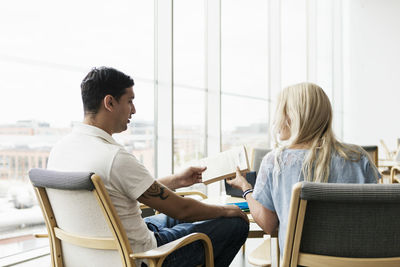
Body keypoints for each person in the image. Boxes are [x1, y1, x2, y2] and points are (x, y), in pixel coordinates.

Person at [47, 66, 249, 267]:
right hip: (143, 257)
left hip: (93, 255)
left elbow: (116, 190)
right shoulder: (114, 157)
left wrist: (177, 180)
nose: (133, 110)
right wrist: (227, 210)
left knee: (172, 218)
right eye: (129, 101)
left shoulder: (60, 150)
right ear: (109, 102)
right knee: (234, 224)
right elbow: (183, 209)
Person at [226, 82, 380, 255]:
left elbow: (268, 225)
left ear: (292, 117)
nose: (276, 121)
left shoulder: (275, 162)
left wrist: (246, 189)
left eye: (279, 112)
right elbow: (374, 218)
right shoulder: (358, 157)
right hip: (357, 261)